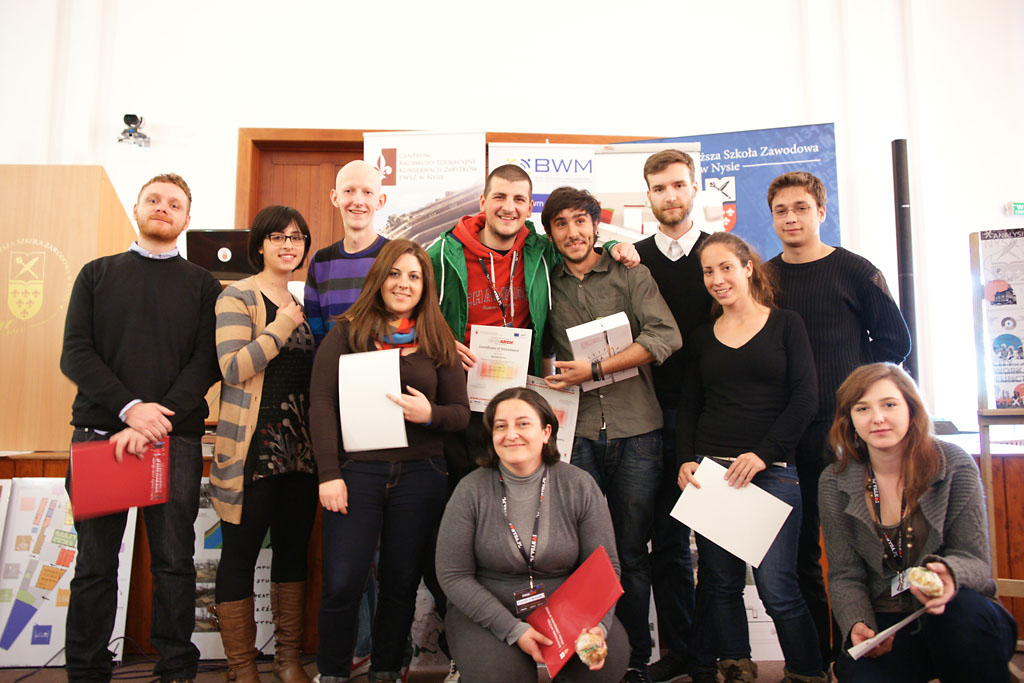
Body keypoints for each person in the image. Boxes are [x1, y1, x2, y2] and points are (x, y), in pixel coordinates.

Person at [60, 173, 221, 682]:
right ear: (136, 208)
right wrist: (131, 409)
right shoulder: (96, 274)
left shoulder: (204, 285)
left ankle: (176, 668)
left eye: (174, 204)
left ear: (187, 219)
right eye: (153, 199)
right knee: (94, 565)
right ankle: (86, 669)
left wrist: (155, 418)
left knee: (174, 562)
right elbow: (75, 354)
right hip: (101, 437)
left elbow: (207, 362)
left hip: (174, 439)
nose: (162, 208)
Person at [766, 171, 911, 665]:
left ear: (821, 212)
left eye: (801, 208)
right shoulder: (764, 279)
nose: (791, 218)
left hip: (847, 435)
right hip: (789, 434)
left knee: (860, 545)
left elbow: (894, 344)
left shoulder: (856, 271)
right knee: (801, 551)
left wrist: (857, 395)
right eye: (781, 210)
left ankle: (875, 647)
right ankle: (822, 659)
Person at [309, 239, 470, 683]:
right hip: (355, 474)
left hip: (421, 474)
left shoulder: (437, 337)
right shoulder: (347, 332)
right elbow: (321, 403)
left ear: (425, 285)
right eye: (395, 273)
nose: (404, 283)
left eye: (414, 276)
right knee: (342, 582)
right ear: (379, 278)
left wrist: (429, 413)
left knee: (401, 582)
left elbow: (460, 413)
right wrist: (328, 473)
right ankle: (333, 673)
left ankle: (386, 670)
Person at [542, 186, 681, 683]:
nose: (572, 232)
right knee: (580, 554)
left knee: (631, 552)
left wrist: (596, 369)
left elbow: (665, 336)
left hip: (637, 430)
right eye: (561, 223)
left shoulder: (630, 272)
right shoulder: (543, 281)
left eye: (580, 221)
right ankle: (582, 655)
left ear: (596, 225)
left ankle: (635, 658)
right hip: (575, 433)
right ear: (550, 233)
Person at [676, 231, 825, 683]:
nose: (717, 279)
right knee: (720, 584)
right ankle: (735, 663)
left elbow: (806, 399)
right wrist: (685, 459)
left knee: (778, 588)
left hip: (772, 472)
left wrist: (762, 454)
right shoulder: (702, 337)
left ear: (747, 268)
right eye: (708, 271)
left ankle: (807, 672)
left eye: (726, 267)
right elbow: (690, 406)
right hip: (713, 475)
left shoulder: (786, 325)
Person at [819, 363, 1018, 681]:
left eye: (889, 404)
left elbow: (975, 562)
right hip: (888, 621)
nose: (877, 418)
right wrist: (858, 623)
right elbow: (845, 574)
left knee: (965, 622)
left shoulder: (954, 464)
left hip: (957, 611)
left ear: (912, 409)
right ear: (849, 419)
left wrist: (949, 575)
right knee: (858, 675)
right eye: (862, 408)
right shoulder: (833, 480)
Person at [436, 387, 629, 682]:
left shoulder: (578, 484)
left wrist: (597, 626)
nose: (511, 434)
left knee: (605, 667)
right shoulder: (470, 490)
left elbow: (605, 567)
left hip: (569, 611)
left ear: (546, 432)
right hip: (490, 610)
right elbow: (453, 575)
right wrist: (513, 629)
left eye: (523, 423)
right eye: (501, 426)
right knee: (502, 677)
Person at [209, 206, 317, 683]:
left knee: (292, 555)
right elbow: (233, 367)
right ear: (259, 245)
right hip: (253, 450)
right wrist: (281, 325)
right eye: (278, 237)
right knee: (240, 556)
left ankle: (287, 659)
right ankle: (241, 667)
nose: (288, 245)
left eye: (297, 237)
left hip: (302, 452)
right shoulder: (237, 296)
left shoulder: (302, 301)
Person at [633, 149, 713, 682]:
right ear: (648, 196)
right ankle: (682, 651)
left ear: (694, 188)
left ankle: (720, 653)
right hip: (651, 416)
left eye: (679, 185)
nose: (670, 196)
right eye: (660, 188)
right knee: (666, 543)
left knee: (719, 546)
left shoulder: (720, 254)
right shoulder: (632, 259)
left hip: (713, 417)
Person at [305, 160, 390, 347]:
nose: (358, 201)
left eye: (367, 192)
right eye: (349, 191)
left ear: (380, 201)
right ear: (335, 198)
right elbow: (317, 338)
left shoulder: (396, 258)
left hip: (386, 363)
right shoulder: (320, 262)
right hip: (332, 363)